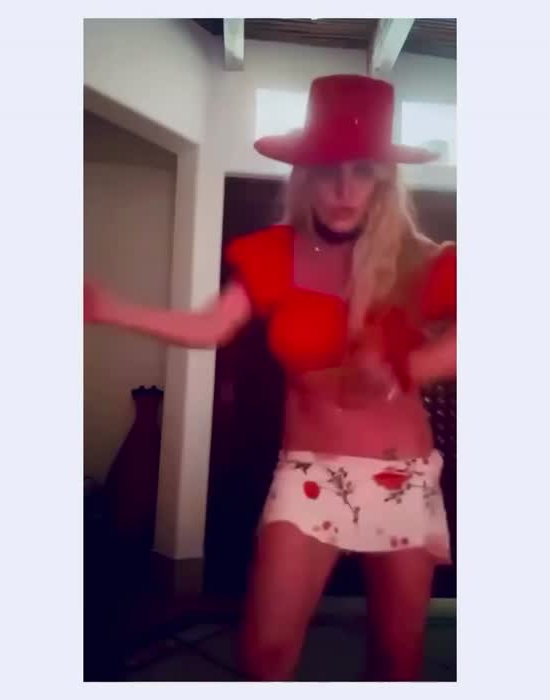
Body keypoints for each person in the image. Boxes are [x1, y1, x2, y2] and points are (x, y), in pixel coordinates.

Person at [84, 74, 456, 682]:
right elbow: (212, 325)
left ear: (383, 179)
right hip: (308, 476)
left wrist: (409, 367)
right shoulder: (272, 253)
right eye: (328, 170)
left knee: (397, 659)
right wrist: (111, 308)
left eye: (361, 170)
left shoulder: (421, 259)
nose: (343, 188)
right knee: (265, 654)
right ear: (304, 174)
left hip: (402, 478)